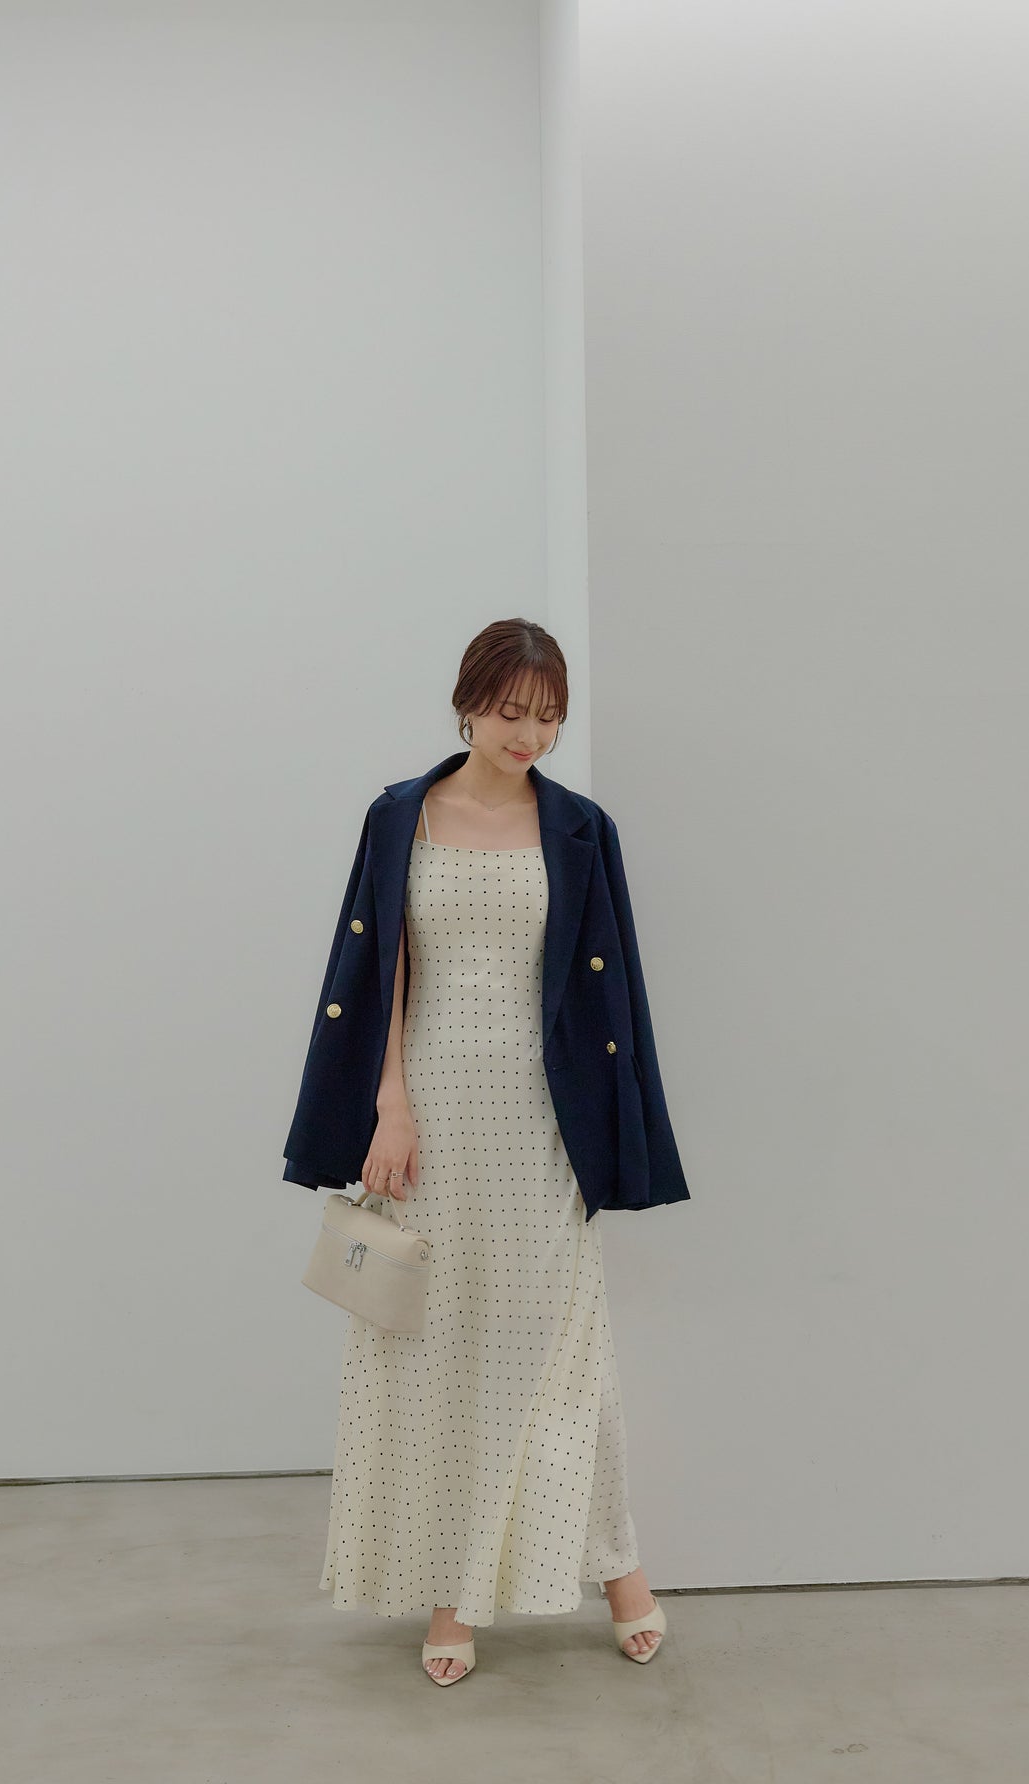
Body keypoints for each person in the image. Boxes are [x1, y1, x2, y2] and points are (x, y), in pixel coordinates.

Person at [307, 618, 674, 1684]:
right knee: (430, 1347)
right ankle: (450, 1594)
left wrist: (618, 1132)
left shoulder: (580, 829)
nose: (531, 735)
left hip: (543, 1118)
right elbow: (381, 972)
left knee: (557, 1348)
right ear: (467, 703)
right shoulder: (400, 816)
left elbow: (614, 989)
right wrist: (387, 1105)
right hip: (429, 1113)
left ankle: (619, 1569)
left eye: (549, 716)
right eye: (513, 712)